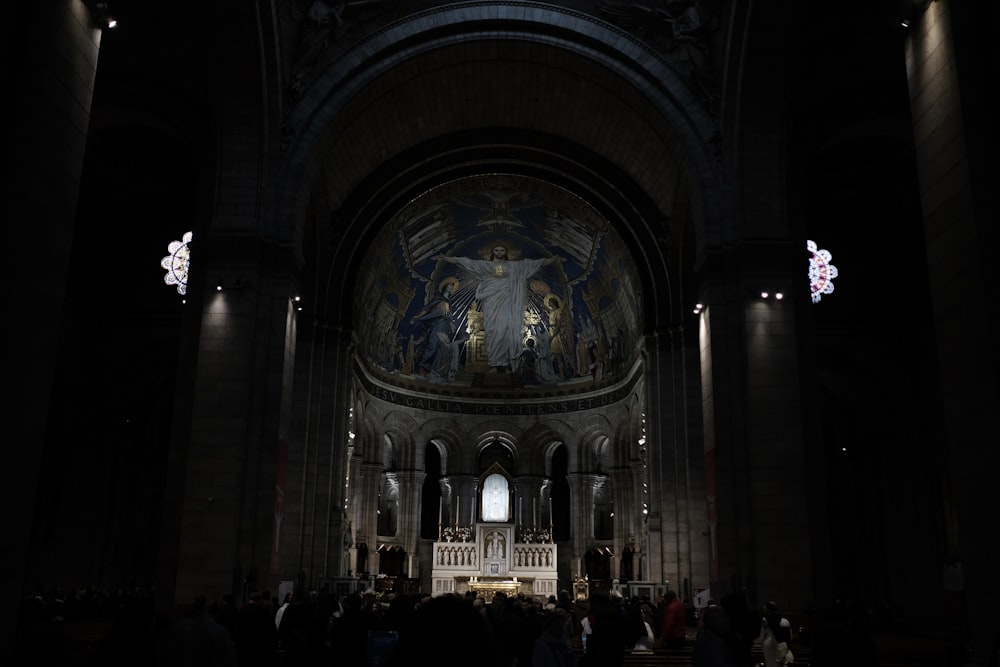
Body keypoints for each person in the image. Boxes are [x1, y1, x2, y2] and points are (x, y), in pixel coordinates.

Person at [434, 245, 561, 372]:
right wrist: (445, 258)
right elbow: (466, 262)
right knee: (492, 330)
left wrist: (553, 259)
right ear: (492, 252)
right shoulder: (485, 266)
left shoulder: (514, 267)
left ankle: (505, 364)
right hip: (490, 303)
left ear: (505, 252)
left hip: (507, 302)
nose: (499, 252)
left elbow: (535, 264)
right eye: (496, 250)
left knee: (506, 330)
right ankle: (494, 364)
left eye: (502, 250)